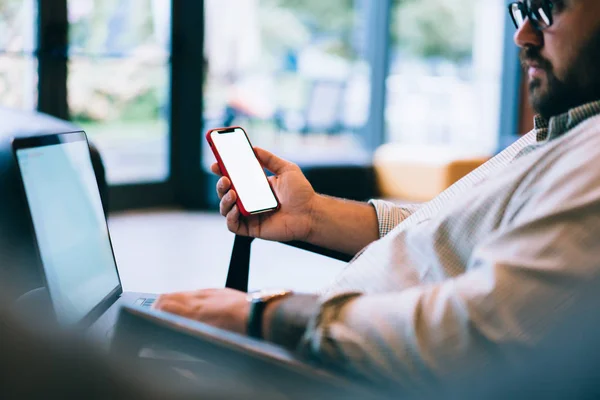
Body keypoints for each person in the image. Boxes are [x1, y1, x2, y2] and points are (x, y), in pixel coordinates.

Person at [155, 0, 600, 389]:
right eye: (522, 10)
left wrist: (260, 316)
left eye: (549, 8)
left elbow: (471, 338)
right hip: (318, 354)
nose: (523, 34)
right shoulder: (566, 130)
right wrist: (313, 216)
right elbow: (453, 238)